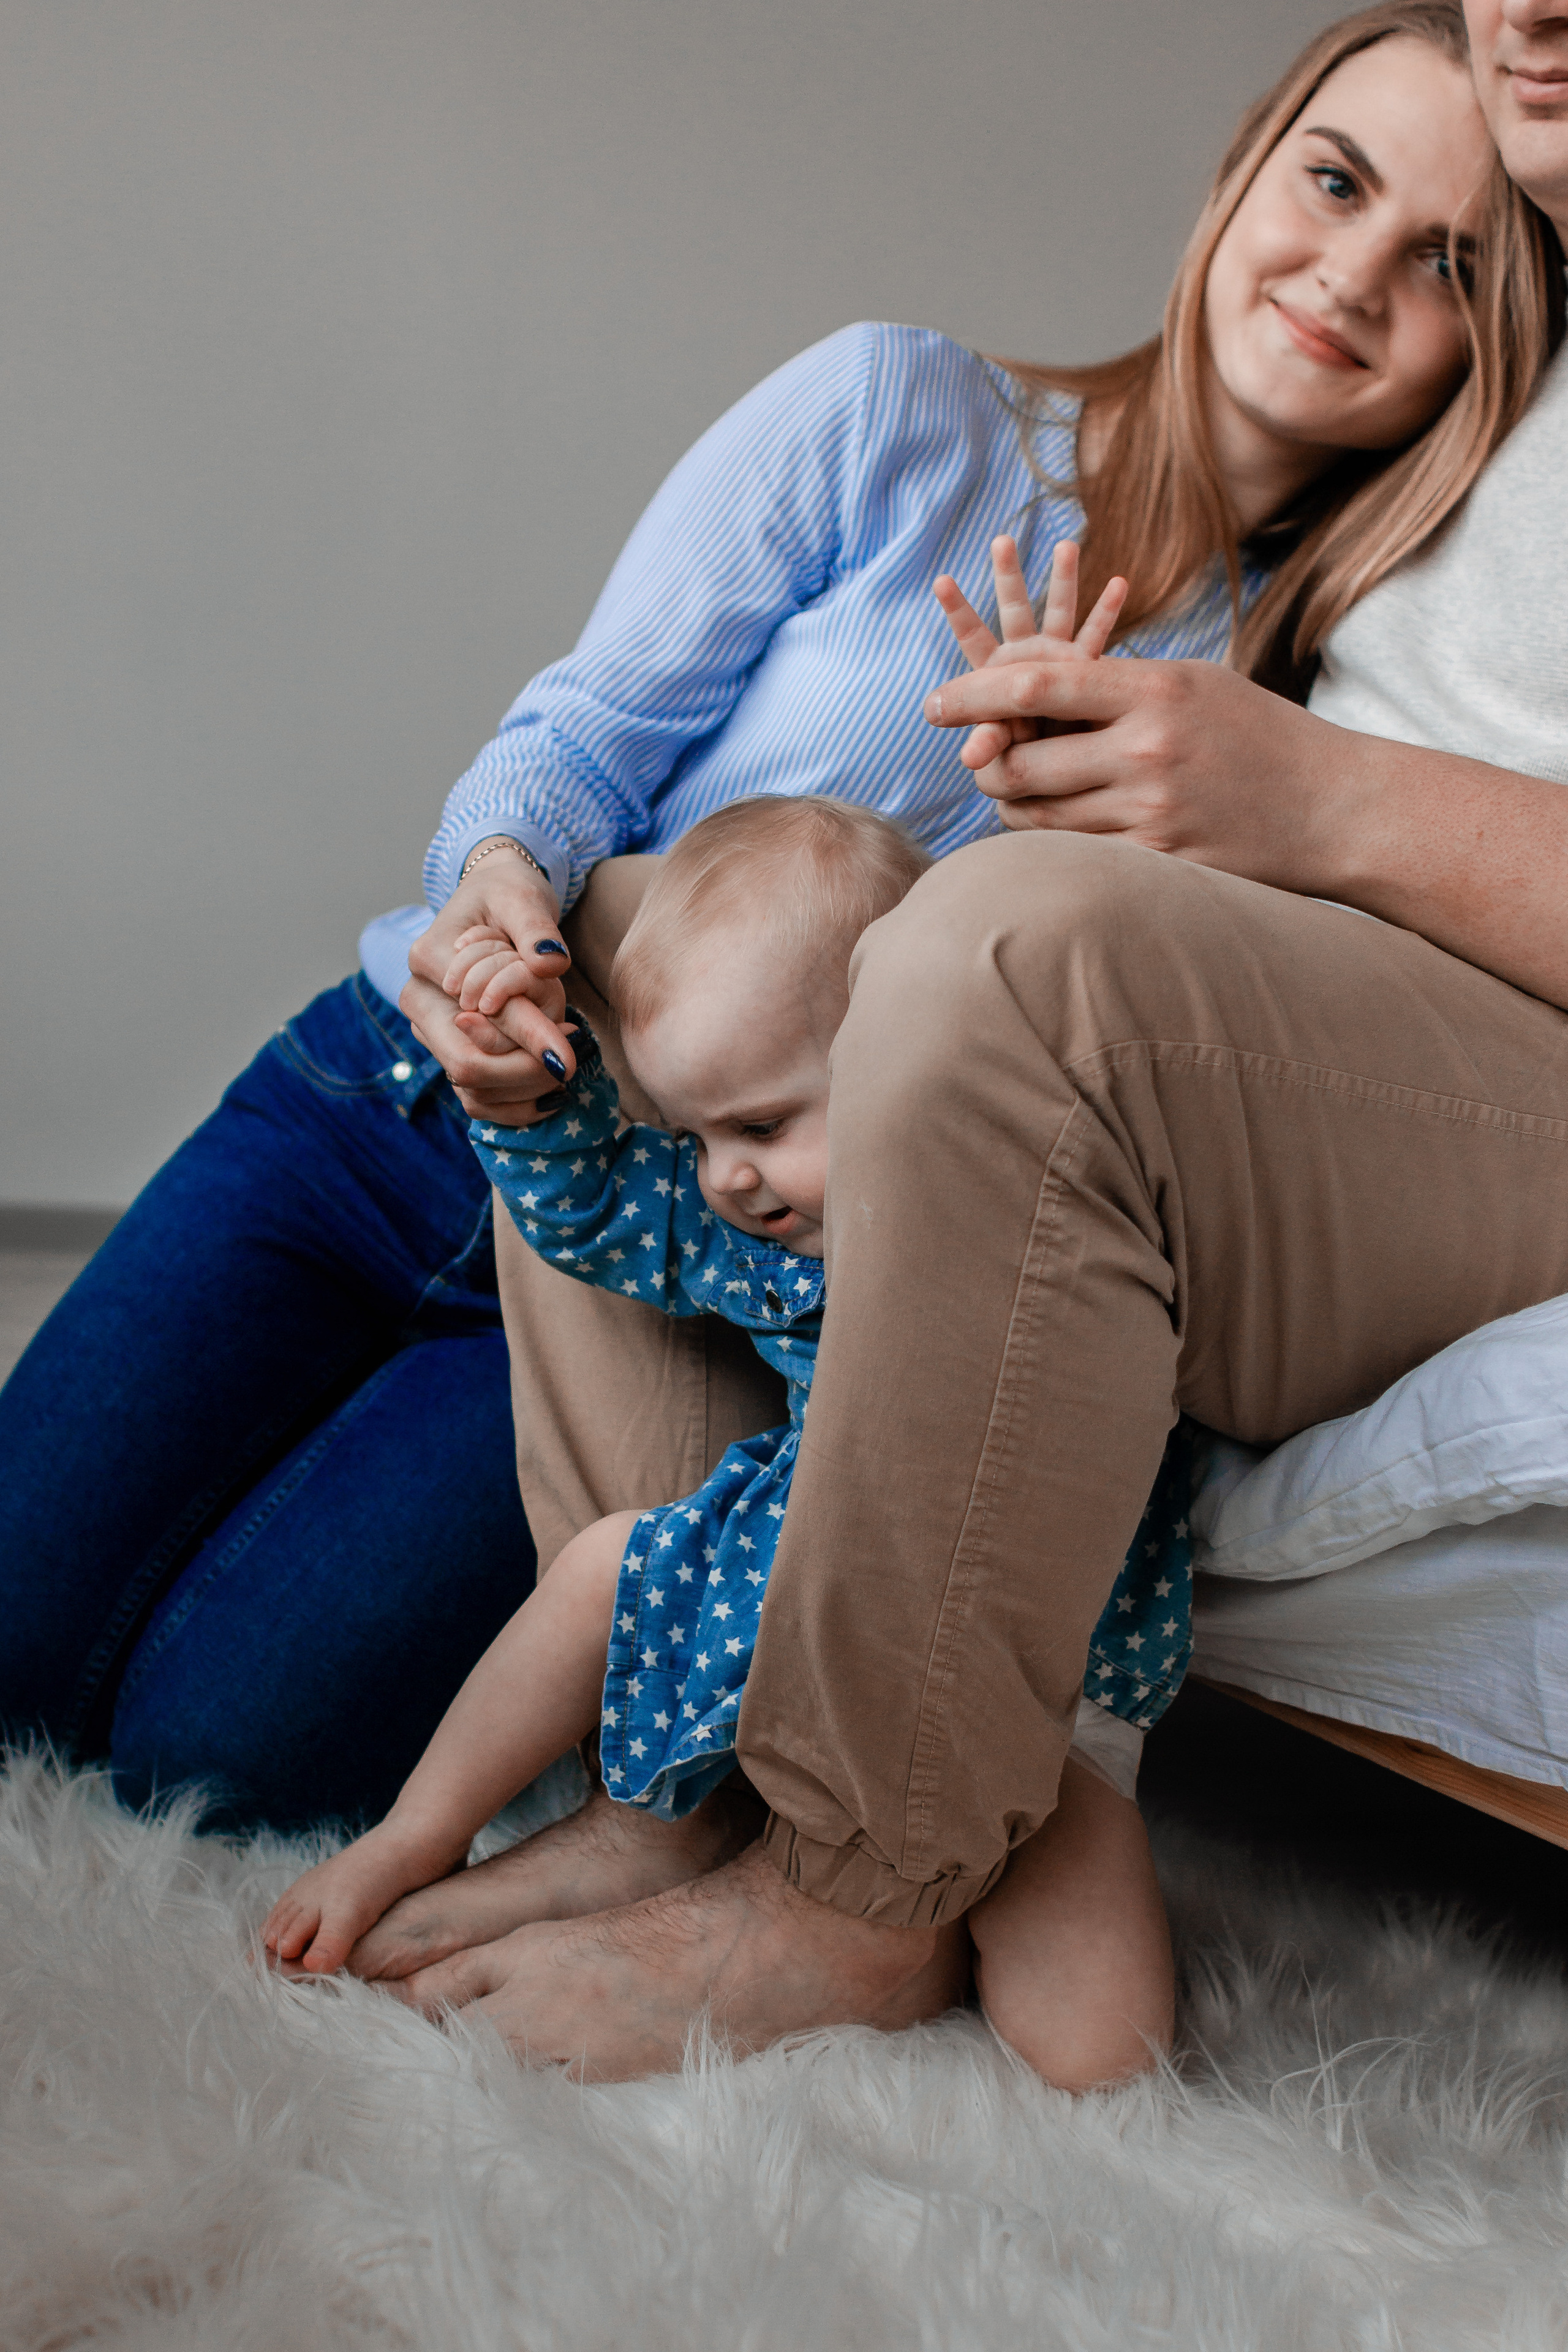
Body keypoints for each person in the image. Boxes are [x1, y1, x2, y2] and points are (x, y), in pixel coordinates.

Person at [0, 1, 1547, 1834]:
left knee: (209, 1765)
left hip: (660, 1292)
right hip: (385, 1109)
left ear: (1491, 347)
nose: (1352, 274)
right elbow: (580, 737)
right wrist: (493, 893)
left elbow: (1075, 1124)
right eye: (1336, 180)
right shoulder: (901, 409)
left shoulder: (1293, 730)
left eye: (1444, 260)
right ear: (1242, 174)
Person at [265, 793, 1191, 2083]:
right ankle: (419, 1832)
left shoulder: (1035, 1213)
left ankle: (923, 1921)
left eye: (757, 1127)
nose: (722, 1178)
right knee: (604, 1566)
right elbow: (601, 1211)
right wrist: (533, 1114)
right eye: (697, 1136)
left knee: (1095, 2056)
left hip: (1036, 1679)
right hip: (799, 1578)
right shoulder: (762, 1239)